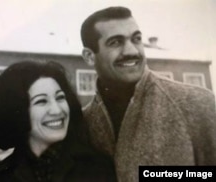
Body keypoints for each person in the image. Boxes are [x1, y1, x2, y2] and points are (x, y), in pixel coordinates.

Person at [80, 6, 216, 182]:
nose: (132, 51)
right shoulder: (83, 123)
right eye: (115, 42)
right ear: (89, 56)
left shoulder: (197, 104)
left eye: (136, 39)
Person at [0, 61, 116, 182]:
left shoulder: (97, 169)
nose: (57, 110)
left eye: (60, 98)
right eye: (41, 101)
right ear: (18, 111)